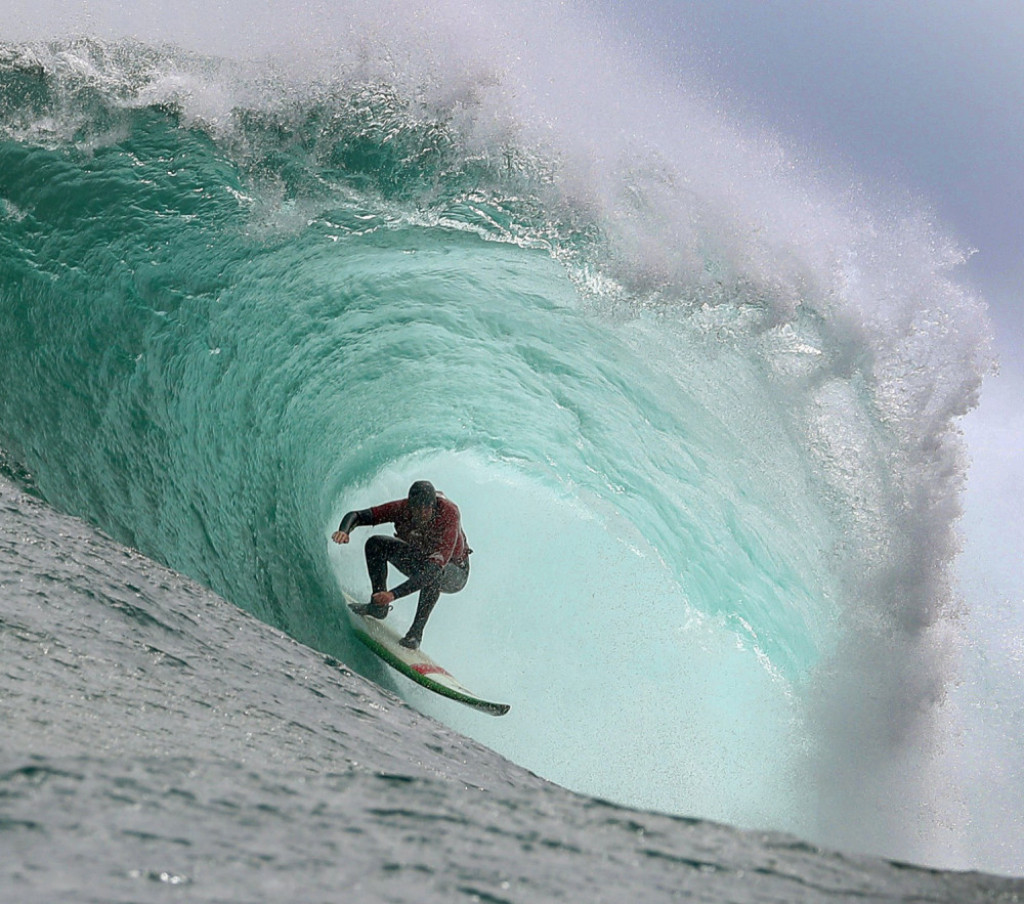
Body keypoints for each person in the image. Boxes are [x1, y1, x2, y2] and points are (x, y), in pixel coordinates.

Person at [332, 480, 471, 650]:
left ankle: (415, 634)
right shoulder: (402, 509)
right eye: (417, 508)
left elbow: (432, 571)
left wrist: (393, 594)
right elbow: (358, 516)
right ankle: (378, 607)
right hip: (424, 560)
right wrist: (344, 531)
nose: (421, 513)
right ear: (410, 505)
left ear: (433, 506)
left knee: (434, 574)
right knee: (376, 544)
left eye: (426, 508)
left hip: (455, 572)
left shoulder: (448, 515)